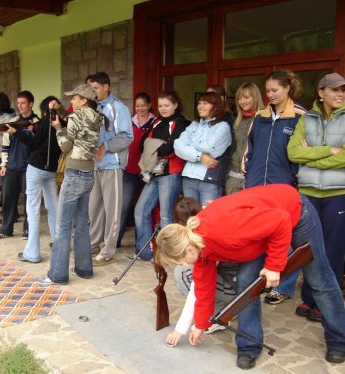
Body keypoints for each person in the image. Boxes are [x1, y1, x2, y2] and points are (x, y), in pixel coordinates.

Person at [156, 184, 345, 369]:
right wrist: (201, 324)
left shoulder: (225, 232)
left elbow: (280, 220)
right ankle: (249, 345)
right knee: (247, 286)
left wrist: (273, 266)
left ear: (188, 248)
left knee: (320, 281)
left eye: (180, 259)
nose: (183, 265)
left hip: (293, 212)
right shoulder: (197, 247)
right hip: (263, 230)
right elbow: (204, 287)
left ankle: (339, 340)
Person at [244, 70, 306, 306]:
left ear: (287, 88)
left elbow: (303, 154)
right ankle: (264, 279)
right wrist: (248, 172)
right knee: (259, 234)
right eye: (267, 90)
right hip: (256, 185)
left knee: (285, 237)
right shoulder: (259, 116)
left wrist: (296, 182)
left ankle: (284, 286)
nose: (269, 94)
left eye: (274, 90)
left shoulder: (300, 116)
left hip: (283, 188)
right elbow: (249, 150)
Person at [287, 72, 345, 322]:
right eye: (334, 90)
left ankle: (325, 304)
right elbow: (292, 152)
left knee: (332, 250)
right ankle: (309, 300)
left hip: (337, 194)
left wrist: (313, 157)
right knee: (309, 249)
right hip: (309, 193)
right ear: (321, 93)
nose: (340, 94)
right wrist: (327, 151)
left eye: (343, 90)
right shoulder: (306, 118)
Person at [39, 84, 103, 285]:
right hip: (88, 172)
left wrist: (58, 129)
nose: (71, 102)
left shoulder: (76, 117)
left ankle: (57, 274)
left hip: (74, 172)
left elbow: (66, 146)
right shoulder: (97, 117)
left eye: (74, 98)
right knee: (82, 223)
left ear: (83, 100)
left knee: (63, 225)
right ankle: (84, 269)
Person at [167, 197, 238, 347]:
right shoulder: (207, 224)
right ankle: (213, 315)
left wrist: (180, 329)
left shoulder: (207, 238)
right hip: (236, 282)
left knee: (184, 273)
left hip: (236, 289)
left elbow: (199, 288)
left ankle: (218, 316)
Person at [133, 90, 189, 260]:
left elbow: (169, 149)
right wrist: (157, 145)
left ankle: (167, 255)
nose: (163, 109)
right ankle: (145, 252)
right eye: (161, 105)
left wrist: (154, 146)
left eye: (167, 105)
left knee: (166, 216)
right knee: (140, 210)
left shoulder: (182, 124)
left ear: (175, 105)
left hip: (170, 173)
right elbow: (143, 144)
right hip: (153, 173)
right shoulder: (156, 122)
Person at [87, 72, 133, 266]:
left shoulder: (118, 108)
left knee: (112, 210)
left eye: (96, 88)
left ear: (106, 86)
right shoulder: (93, 107)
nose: (93, 92)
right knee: (94, 208)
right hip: (95, 166)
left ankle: (108, 251)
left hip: (112, 165)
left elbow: (127, 136)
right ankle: (93, 243)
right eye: (90, 89)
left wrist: (105, 146)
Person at [17, 96, 63, 263]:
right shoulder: (62, 123)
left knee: (33, 209)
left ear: (44, 109)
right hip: (51, 170)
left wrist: (16, 133)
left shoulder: (45, 121)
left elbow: (35, 144)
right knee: (54, 208)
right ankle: (59, 246)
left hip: (36, 167)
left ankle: (32, 253)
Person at [0, 91, 38, 240]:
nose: (20, 105)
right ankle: (6, 228)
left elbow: (35, 143)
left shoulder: (37, 123)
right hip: (12, 166)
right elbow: (6, 145)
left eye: (23, 103)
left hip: (29, 167)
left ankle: (28, 229)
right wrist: (4, 164)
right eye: (18, 103)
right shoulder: (14, 121)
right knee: (8, 198)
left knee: (29, 200)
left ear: (30, 104)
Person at [174, 91, 232, 206]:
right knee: (190, 219)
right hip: (189, 178)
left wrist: (188, 145)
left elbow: (209, 148)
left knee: (209, 219)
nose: (200, 106)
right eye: (199, 103)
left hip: (209, 181)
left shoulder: (222, 126)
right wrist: (199, 156)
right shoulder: (194, 124)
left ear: (215, 107)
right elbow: (177, 146)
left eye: (205, 103)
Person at [117, 92, 155, 248]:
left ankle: (142, 244)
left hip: (148, 170)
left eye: (143, 106)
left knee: (145, 209)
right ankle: (115, 241)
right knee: (124, 206)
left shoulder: (155, 123)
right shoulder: (129, 122)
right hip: (129, 169)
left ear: (149, 106)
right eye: (137, 106)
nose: (140, 109)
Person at [224, 82, 264, 195]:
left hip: (253, 178)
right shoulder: (237, 121)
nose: (242, 101)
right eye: (239, 98)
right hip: (233, 177)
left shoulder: (264, 120)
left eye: (246, 97)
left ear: (255, 97)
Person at [0, 92, 16, 208]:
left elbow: (8, 138)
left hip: (5, 152)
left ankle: (8, 205)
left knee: (6, 180)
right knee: (3, 179)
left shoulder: (8, 118)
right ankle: (3, 199)